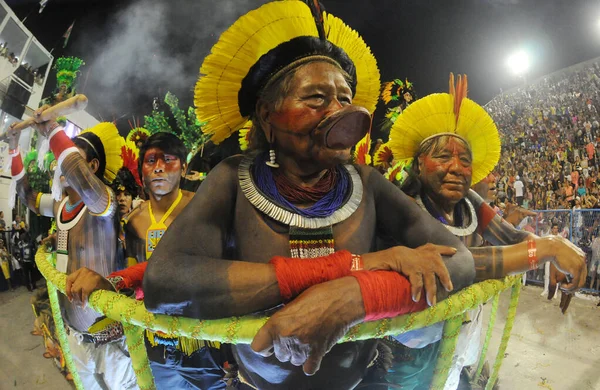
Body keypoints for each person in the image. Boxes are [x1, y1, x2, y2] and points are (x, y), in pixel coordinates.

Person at [140, 2, 478, 388]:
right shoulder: (232, 178)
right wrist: (342, 271)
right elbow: (166, 282)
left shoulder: (367, 183)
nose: (338, 112)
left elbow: (460, 262)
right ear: (267, 116)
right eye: (316, 98)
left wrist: (355, 296)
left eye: (345, 99)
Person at [386, 74, 587, 389]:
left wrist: (552, 254)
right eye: (442, 156)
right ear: (418, 165)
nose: (456, 167)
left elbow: (512, 237)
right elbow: (459, 260)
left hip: (462, 328)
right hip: (413, 346)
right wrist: (546, 249)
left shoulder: (469, 203)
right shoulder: (403, 204)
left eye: (464, 160)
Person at [66, 133, 226, 390]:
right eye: (151, 160)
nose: (159, 167)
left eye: (169, 159)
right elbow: (133, 276)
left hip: (202, 340)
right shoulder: (133, 222)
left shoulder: (203, 209)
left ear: (184, 168)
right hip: (155, 342)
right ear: (142, 171)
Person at [6, 117, 137, 390]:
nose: (61, 162)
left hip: (109, 340)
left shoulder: (103, 203)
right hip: (75, 334)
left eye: (71, 156)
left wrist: (52, 131)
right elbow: (26, 193)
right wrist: (14, 147)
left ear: (92, 166)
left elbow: (86, 185)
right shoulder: (60, 205)